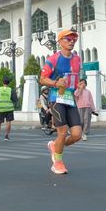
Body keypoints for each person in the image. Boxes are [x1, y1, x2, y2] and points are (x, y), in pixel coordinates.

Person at [39, 29, 82, 175]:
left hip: (70, 99)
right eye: (68, 39)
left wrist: (77, 86)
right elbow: (42, 79)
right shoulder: (53, 59)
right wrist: (55, 83)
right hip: (56, 98)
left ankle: (55, 146)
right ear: (60, 42)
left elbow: (75, 77)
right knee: (62, 132)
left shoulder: (77, 59)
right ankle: (57, 163)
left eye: (73, 39)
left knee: (77, 135)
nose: (71, 42)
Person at [0, 76, 18, 140]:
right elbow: (15, 100)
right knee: (8, 122)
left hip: (1, 109)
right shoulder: (11, 90)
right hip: (9, 109)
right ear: (9, 82)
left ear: (3, 82)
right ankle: (6, 136)